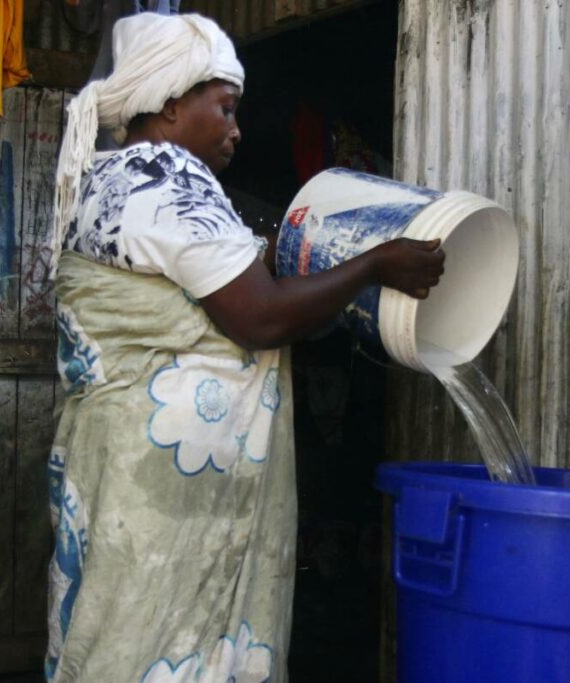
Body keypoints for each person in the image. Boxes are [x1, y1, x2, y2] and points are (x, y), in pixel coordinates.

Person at [45, 12, 444, 683]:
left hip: (112, 465)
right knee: (164, 639)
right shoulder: (168, 179)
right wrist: (375, 264)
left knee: (115, 629)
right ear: (171, 106)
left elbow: (223, 283)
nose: (235, 130)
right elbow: (257, 317)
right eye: (225, 108)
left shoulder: (106, 177)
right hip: (166, 488)